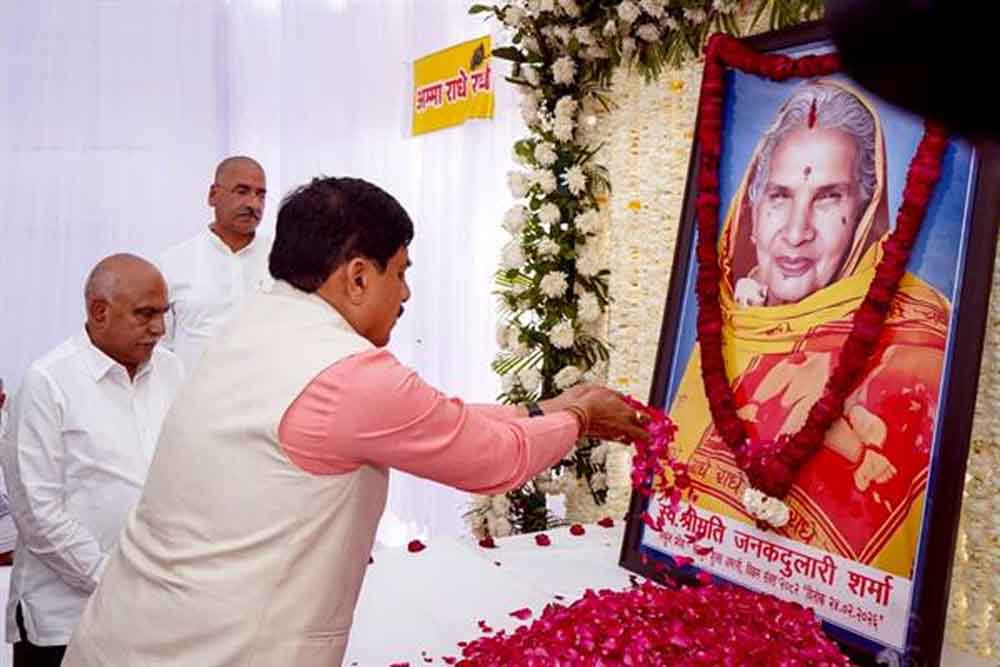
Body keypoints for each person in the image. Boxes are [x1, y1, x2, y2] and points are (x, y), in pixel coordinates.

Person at [62, 177, 648, 667]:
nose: (406, 294)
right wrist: (581, 417)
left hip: (126, 633)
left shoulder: (259, 325)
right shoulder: (348, 373)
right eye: (402, 272)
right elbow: (493, 460)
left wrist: (545, 411)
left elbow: (434, 420)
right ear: (359, 276)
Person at [670, 80, 949, 578]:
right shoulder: (733, 314)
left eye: (827, 198)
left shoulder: (915, 355)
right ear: (752, 206)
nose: (797, 232)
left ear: (864, 212)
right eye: (779, 196)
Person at [0, 255, 185, 666]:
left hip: (154, 616)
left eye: (164, 313)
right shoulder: (48, 382)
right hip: (64, 623)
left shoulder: (172, 371)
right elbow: (38, 515)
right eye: (145, 314)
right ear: (99, 311)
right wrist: (116, 580)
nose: (160, 328)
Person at [158, 155, 271, 373]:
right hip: (193, 391)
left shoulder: (282, 262)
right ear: (213, 195)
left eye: (261, 195)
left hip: (266, 391)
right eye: (242, 191)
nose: (253, 204)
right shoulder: (173, 262)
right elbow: (160, 349)